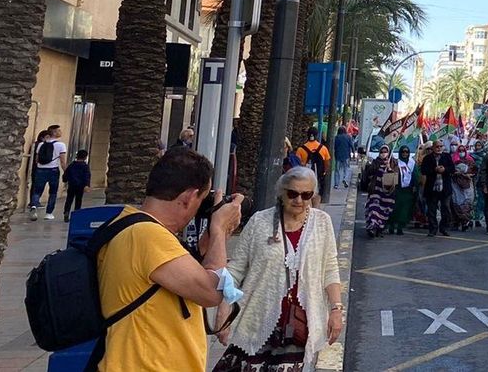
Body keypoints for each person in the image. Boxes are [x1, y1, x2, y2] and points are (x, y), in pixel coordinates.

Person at [96, 148, 243, 371]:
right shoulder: (148, 236)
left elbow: (193, 275)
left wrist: (211, 239)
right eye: (202, 199)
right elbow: (212, 292)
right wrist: (220, 228)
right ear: (188, 197)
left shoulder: (132, 225)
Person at [212, 166, 343, 371]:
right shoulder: (259, 222)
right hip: (255, 319)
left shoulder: (322, 223)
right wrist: (223, 309)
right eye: (292, 194)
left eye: (306, 195)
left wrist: (336, 310)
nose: (299, 200)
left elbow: (330, 269)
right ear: (282, 192)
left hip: (299, 326)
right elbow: (235, 269)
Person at [28, 124, 67, 220]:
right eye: (58, 131)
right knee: (53, 192)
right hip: (53, 170)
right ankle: (49, 213)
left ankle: (34, 205)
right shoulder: (61, 145)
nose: (60, 132)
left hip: (40, 170)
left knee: (37, 191)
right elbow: (62, 161)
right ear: (54, 133)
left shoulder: (41, 144)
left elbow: (37, 159)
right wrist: (66, 172)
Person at [360, 145, 400, 238]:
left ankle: (380, 228)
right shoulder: (375, 161)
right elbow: (369, 171)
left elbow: (396, 177)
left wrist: (389, 168)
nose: (383, 154)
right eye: (381, 152)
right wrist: (379, 165)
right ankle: (372, 227)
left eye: (385, 152)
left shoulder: (393, 162)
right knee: (373, 209)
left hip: (387, 193)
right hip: (376, 191)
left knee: (384, 212)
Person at [419, 142, 453, 237]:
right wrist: (434, 170)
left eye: (441, 146)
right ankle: (433, 229)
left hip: (445, 188)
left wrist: (444, 169)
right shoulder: (428, 158)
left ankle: (444, 228)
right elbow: (423, 171)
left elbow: (452, 169)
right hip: (432, 189)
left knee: (446, 208)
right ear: (433, 148)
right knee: (431, 210)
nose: (439, 148)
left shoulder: (446, 156)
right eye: (437, 147)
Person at [386, 146, 417, 235]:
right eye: (403, 152)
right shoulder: (396, 162)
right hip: (397, 189)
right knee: (395, 209)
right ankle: (391, 226)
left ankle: (400, 227)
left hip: (408, 190)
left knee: (404, 210)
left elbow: (415, 175)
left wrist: (415, 185)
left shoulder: (412, 163)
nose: (405, 154)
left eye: (407, 152)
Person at [294, 128, 331, 199]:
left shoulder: (301, 149)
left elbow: (297, 164)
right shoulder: (323, 148)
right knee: (317, 196)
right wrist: (324, 172)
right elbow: (327, 163)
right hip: (318, 176)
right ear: (317, 135)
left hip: (304, 176)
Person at [63, 148, 91, 220]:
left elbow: (66, 174)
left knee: (69, 199)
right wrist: (87, 185)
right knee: (78, 200)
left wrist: (65, 180)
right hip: (80, 186)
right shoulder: (85, 166)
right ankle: (76, 213)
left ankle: (66, 211)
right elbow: (87, 176)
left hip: (72, 185)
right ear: (85, 157)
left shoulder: (72, 165)